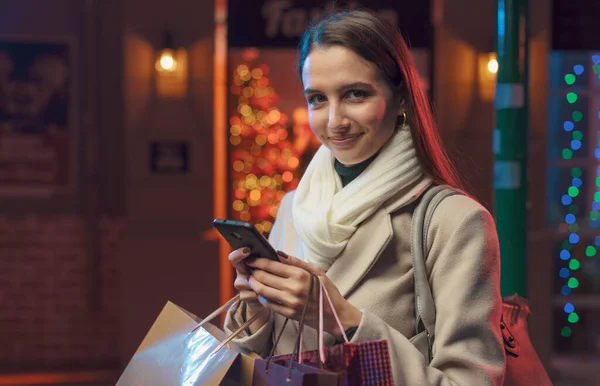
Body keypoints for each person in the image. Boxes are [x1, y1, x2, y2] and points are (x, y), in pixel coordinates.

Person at [225, 9, 506, 385]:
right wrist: (257, 306)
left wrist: (345, 319)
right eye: (318, 99)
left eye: (355, 94)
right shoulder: (296, 206)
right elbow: (270, 359)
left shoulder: (454, 221)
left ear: (401, 98)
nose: (334, 120)